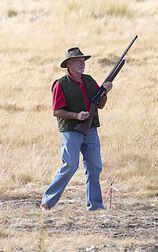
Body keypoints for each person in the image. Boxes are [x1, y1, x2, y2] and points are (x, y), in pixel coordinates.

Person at [41, 47, 113, 211]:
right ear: (69, 64)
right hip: (70, 131)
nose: (82, 63)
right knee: (70, 165)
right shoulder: (60, 84)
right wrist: (76, 116)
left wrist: (105, 92)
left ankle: (95, 206)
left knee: (94, 167)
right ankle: (47, 201)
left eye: (83, 61)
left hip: (91, 129)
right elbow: (56, 111)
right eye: (79, 61)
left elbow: (100, 105)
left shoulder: (89, 80)